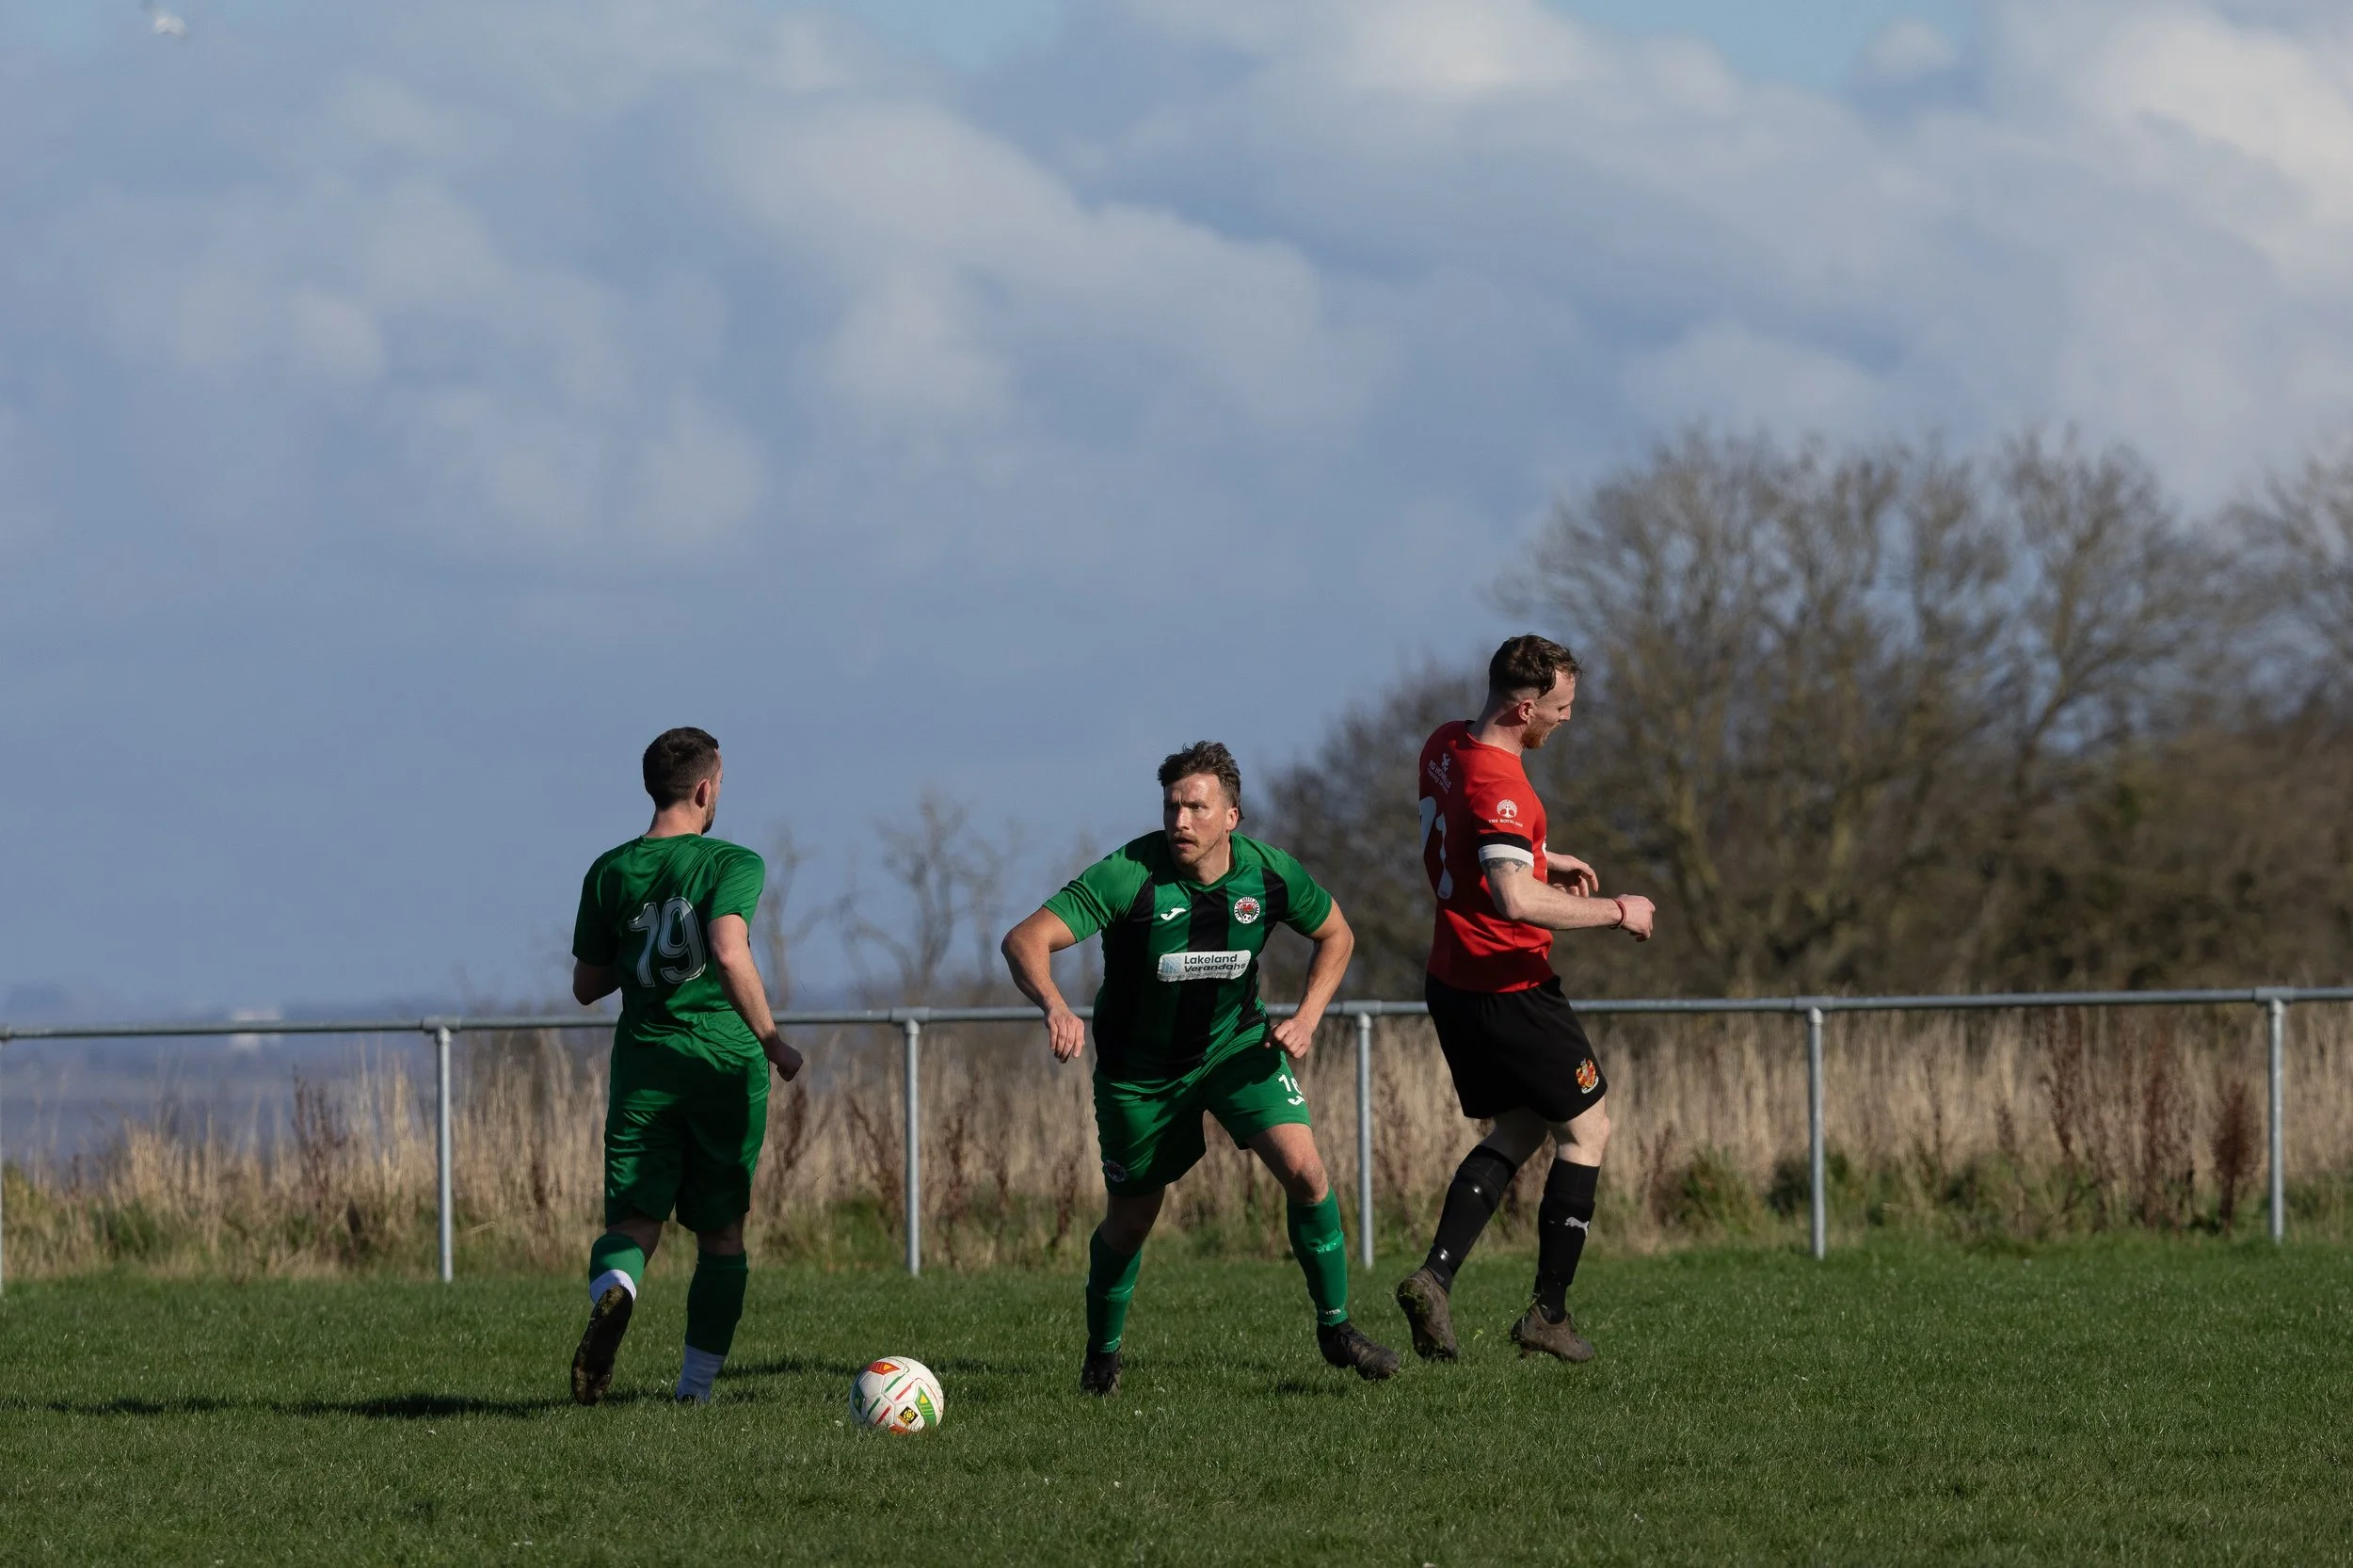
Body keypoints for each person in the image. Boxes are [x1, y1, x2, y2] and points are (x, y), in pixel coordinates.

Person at [1001, 741, 1401, 1394]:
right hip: (1140, 1075)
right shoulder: (1129, 873)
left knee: (1306, 1172)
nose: (1180, 820)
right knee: (1131, 1222)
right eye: (1171, 806)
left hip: (1237, 1049)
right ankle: (1102, 1357)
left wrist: (1307, 1016)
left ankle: (1337, 1329)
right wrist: (1054, 1006)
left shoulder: (1269, 875)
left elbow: (1338, 933)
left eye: (1196, 806)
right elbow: (1024, 939)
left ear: (1232, 817)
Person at [1394, 636, 1656, 1364]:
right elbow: (1512, 897)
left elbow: (1476, 845)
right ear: (1523, 705)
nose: (1566, 720)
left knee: (1516, 1128)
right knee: (1586, 1131)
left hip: (1451, 982)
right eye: (1561, 708)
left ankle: (1435, 1279)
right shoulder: (1506, 789)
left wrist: (1545, 855)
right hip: (1510, 989)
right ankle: (1548, 1313)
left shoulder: (1445, 745)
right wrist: (1615, 912)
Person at [567, 727, 804, 1406]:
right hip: (723, 1066)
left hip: (645, 1068)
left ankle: (617, 1289)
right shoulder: (733, 862)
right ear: (706, 788)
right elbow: (729, 951)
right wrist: (772, 1040)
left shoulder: (610, 870)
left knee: (635, 1223)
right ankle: (694, 1392)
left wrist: (642, 951)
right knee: (721, 1235)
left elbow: (586, 984)